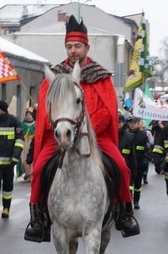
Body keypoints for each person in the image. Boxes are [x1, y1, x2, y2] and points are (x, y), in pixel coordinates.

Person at [24, 16, 139, 242]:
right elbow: (47, 110)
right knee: (38, 169)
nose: (73, 50)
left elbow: (107, 111)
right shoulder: (56, 75)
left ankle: (125, 212)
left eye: (77, 46)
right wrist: (62, 126)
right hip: (60, 135)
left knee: (121, 165)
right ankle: (38, 219)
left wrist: (85, 129)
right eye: (69, 46)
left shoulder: (101, 76)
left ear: (87, 46)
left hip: (95, 136)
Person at [128, 116, 150, 209]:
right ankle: (128, 201)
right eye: (131, 123)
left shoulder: (143, 135)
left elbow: (147, 149)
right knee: (129, 184)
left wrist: (145, 159)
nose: (132, 125)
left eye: (134, 123)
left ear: (138, 124)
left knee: (137, 184)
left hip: (139, 163)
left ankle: (136, 201)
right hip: (128, 164)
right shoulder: (126, 134)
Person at [118, 112, 137, 208]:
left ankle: (128, 212)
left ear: (123, 123)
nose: (118, 124)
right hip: (112, 167)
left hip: (126, 168)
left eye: (119, 122)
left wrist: (133, 171)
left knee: (127, 191)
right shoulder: (110, 134)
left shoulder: (129, 137)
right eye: (116, 122)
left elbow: (132, 156)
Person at [20, 108, 35, 181]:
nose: (28, 116)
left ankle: (30, 175)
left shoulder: (35, 124)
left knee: (31, 159)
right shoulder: (22, 125)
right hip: (24, 143)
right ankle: (26, 172)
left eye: (30, 115)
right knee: (23, 160)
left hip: (31, 144)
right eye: (27, 115)